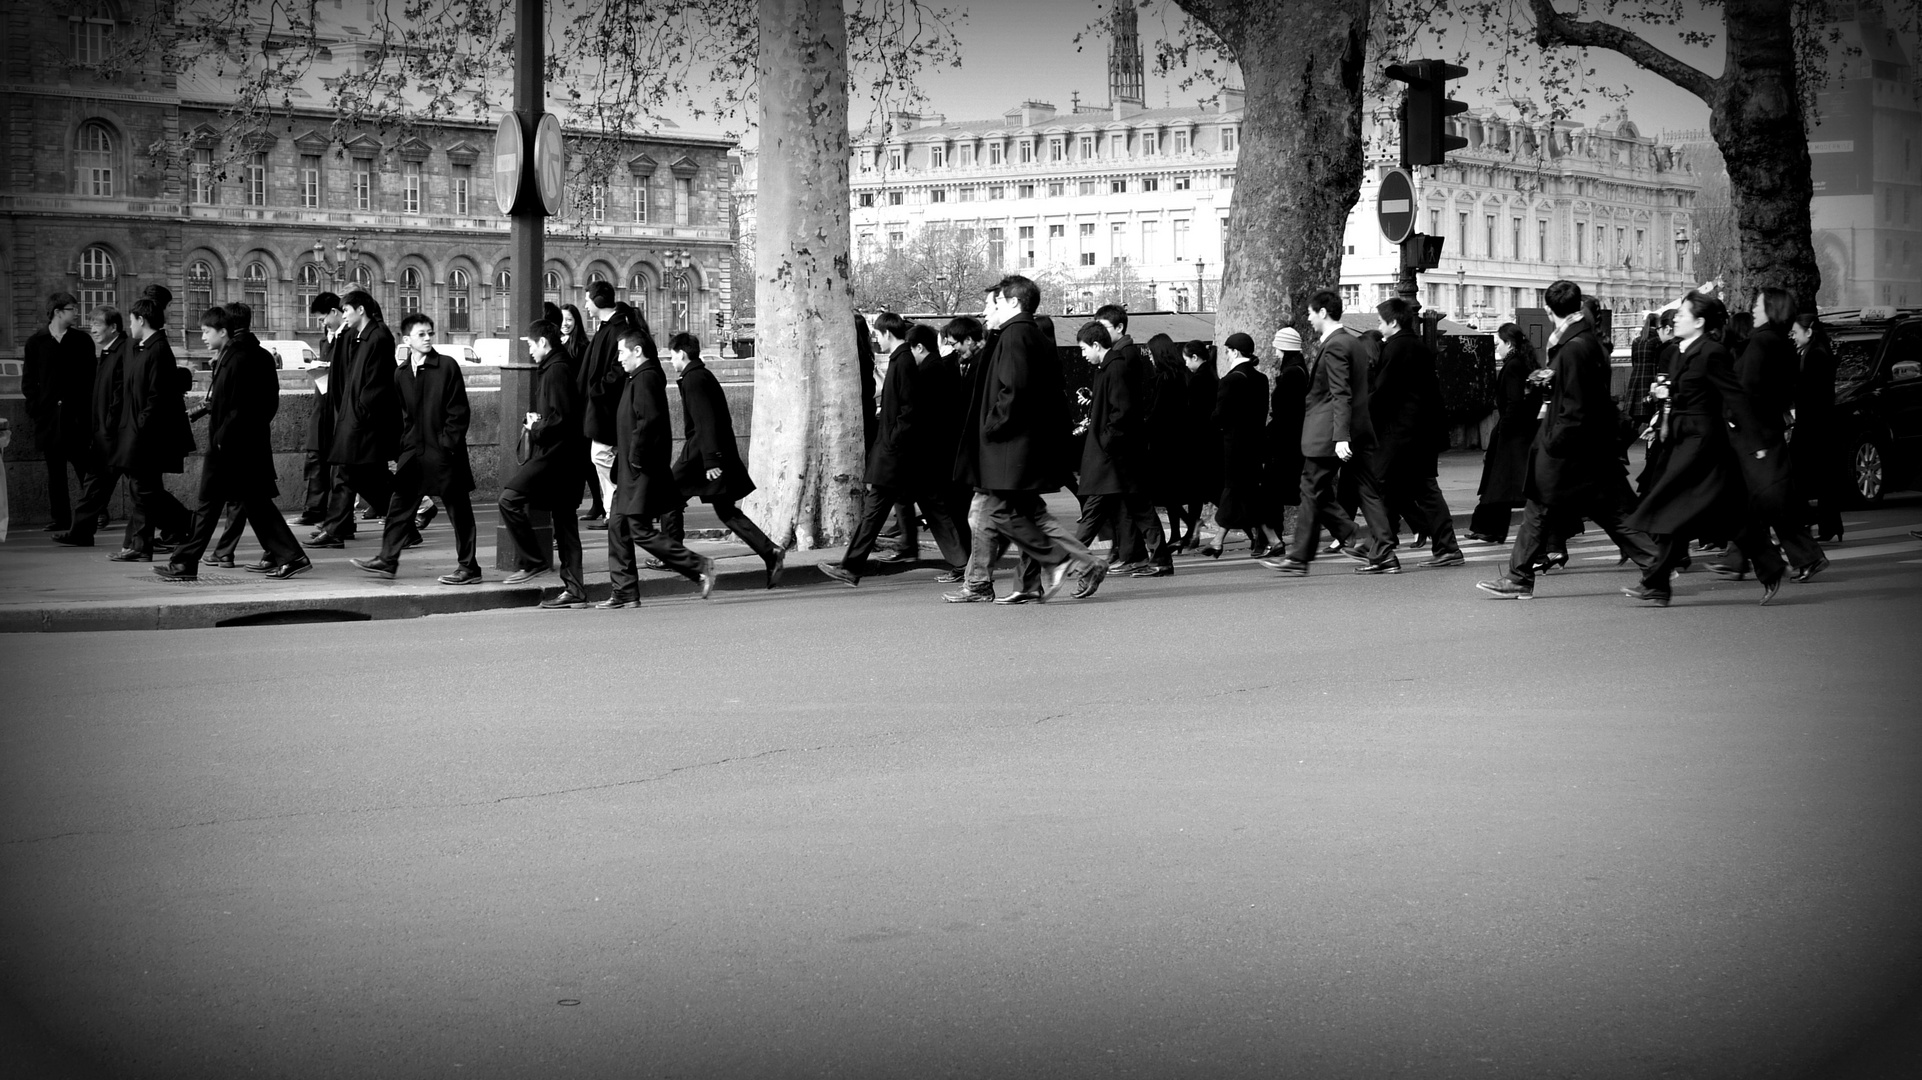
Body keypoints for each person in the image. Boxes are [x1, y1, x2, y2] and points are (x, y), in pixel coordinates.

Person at [1477, 281, 1658, 600]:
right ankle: (1655, 571)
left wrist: (1553, 442)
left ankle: (1521, 576)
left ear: (1548, 311)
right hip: (1586, 445)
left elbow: (1575, 403)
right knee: (1571, 509)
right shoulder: (1583, 340)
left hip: (1572, 447)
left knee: (1569, 509)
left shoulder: (1573, 346)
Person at [950, 275, 1102, 604]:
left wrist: (992, 426)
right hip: (1019, 444)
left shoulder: (1015, 335)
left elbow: (1013, 389)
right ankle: (1075, 564)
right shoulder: (1027, 333)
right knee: (1026, 514)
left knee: (1000, 513)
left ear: (1013, 303)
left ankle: (1057, 560)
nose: (987, 312)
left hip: (1008, 446)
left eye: (994, 304)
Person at [1621, 291, 1760, 606]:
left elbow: (1734, 398)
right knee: (1685, 513)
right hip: (1681, 439)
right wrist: (1662, 398)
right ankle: (1657, 583)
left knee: (1675, 509)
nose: (1676, 319)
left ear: (1699, 322)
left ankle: (1656, 581)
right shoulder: (1682, 349)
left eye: (1683, 314)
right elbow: (1682, 392)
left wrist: (1756, 442)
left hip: (1703, 442)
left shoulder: (1713, 352)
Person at [158, 303, 309, 580]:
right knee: (250, 504)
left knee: (220, 505)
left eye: (206, 331)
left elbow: (237, 406)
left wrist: (221, 440)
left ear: (224, 330)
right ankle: (289, 555)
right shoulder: (244, 355)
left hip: (231, 448)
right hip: (238, 445)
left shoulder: (237, 358)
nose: (202, 336)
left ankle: (185, 563)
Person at [822, 313, 970, 587]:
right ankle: (963, 563)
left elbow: (907, 411)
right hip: (903, 455)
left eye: (878, 335)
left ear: (888, 333)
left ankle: (851, 567)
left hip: (895, 456)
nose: (876, 340)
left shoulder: (901, 362)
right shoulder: (903, 359)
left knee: (874, 513)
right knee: (933, 508)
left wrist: (891, 442)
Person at [1706, 289, 1828, 586]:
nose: (1754, 308)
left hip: (1753, 432)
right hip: (1766, 428)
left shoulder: (1761, 341)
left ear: (1771, 309)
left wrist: (1732, 416)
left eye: (1758, 304)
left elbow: (1746, 387)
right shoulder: (1781, 342)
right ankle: (1741, 559)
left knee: (1764, 499)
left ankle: (1803, 555)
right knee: (1756, 498)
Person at [350, 313, 479, 584]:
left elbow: (458, 412)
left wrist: (447, 445)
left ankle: (469, 567)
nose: (428, 338)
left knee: (459, 511)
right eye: (421, 334)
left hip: (444, 453)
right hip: (414, 452)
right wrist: (402, 449)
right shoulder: (400, 373)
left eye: (430, 333)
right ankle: (387, 560)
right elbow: (404, 416)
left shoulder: (446, 366)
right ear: (407, 339)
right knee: (399, 506)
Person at [1265, 290, 1380, 575]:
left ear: (1323, 313)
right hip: (1349, 428)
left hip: (1330, 431)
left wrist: (1340, 436)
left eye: (1310, 313)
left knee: (1311, 487)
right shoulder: (1351, 342)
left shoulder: (1336, 345)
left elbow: (1341, 393)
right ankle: (1374, 542)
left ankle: (1301, 556)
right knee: (1361, 491)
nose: (1308, 318)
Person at [663, 331, 788, 589]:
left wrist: (711, 461)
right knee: (726, 510)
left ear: (682, 354)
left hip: (701, 454)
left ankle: (674, 557)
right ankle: (770, 552)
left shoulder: (693, 379)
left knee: (668, 497)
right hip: (712, 451)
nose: (670, 360)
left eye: (672, 355)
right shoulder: (701, 375)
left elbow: (704, 422)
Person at [603, 328, 717, 606]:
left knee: (638, 529)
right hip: (632, 469)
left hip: (640, 470)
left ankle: (698, 565)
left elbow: (648, 422)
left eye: (621, 352)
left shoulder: (645, 378)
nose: (619, 359)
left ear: (637, 351)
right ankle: (625, 591)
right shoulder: (639, 377)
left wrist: (635, 459)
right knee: (618, 527)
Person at [496, 320, 590, 606]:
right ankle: (574, 589)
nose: (530, 351)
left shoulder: (556, 370)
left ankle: (534, 560)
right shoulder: (557, 367)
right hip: (564, 458)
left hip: (556, 458)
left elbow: (562, 419)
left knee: (509, 498)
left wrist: (535, 428)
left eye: (531, 345)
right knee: (565, 525)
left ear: (544, 343)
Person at [1368, 298, 1463, 569]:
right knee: (1422, 490)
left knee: (1383, 488)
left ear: (1393, 322)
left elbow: (1384, 392)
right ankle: (1445, 546)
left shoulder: (1397, 348)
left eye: (1380, 321)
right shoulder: (1417, 346)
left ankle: (1384, 552)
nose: (1378, 325)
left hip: (1402, 435)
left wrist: (1358, 414)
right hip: (1420, 433)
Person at [106, 286, 196, 562]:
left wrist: (139, 429)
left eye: (131, 320)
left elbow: (156, 397)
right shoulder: (145, 348)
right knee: (143, 489)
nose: (129, 325)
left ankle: (148, 541)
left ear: (141, 320)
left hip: (146, 435)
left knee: (143, 489)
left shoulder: (157, 350)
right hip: (138, 431)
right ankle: (145, 543)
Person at [1065, 321, 1151, 595]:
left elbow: (1119, 413)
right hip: (1108, 457)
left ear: (1096, 345)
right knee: (1103, 514)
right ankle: (1081, 565)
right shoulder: (1110, 367)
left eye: (1082, 349)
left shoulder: (1114, 368)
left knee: (1092, 516)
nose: (1081, 355)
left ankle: (1079, 565)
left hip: (1108, 458)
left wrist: (1105, 443)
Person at [1089, 305, 1166, 572]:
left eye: (1104, 327)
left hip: (1126, 446)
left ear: (1119, 328)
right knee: (1132, 504)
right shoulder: (1119, 356)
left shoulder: (1124, 357)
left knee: (1137, 505)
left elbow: (1123, 408)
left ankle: (1151, 557)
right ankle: (1140, 555)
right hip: (1123, 444)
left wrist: (1109, 439)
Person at [322, 290, 399, 551]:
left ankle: (336, 529)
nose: (343, 315)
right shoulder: (360, 337)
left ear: (361, 309)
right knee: (365, 476)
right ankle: (406, 527)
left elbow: (375, 384)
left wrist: (359, 413)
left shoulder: (378, 336)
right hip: (355, 418)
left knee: (355, 473)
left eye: (346, 310)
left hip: (363, 422)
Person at [23, 292, 98, 534]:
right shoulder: (36, 342)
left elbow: (91, 379)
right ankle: (61, 519)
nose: (76, 313)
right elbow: (29, 382)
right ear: (58, 312)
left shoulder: (81, 341)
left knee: (84, 470)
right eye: (72, 309)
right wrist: (37, 410)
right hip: (48, 419)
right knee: (55, 473)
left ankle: (94, 514)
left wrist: (85, 411)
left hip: (76, 418)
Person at [52, 305, 125, 546]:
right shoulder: (108, 351)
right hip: (105, 433)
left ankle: (183, 524)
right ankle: (81, 531)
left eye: (98, 324)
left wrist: (108, 427)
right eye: (91, 324)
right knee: (95, 484)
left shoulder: (122, 352)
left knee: (144, 491)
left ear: (113, 327)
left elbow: (118, 396)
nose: (93, 329)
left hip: (114, 434)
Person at [1467, 324, 1541, 544]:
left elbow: (1514, 402)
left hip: (1512, 434)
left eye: (1498, 343)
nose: (1496, 347)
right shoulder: (1523, 363)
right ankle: (1490, 529)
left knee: (1504, 484)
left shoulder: (1513, 366)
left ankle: (1491, 529)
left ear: (1508, 343)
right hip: (1520, 432)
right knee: (1502, 484)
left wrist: (1504, 430)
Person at [579, 281, 643, 533]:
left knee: (602, 456)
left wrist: (597, 390)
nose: (585, 304)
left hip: (607, 407)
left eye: (587, 299)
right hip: (603, 405)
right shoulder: (611, 327)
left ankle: (617, 510)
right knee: (603, 457)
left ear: (598, 301)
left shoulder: (616, 328)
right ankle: (614, 510)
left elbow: (618, 369)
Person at [1207, 332, 1276, 559]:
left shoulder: (1230, 380)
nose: (1226, 355)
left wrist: (1212, 420)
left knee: (1236, 490)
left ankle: (1219, 540)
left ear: (1235, 352)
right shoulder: (1261, 379)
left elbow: (1220, 415)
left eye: (1227, 351)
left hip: (1234, 445)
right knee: (1246, 494)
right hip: (1255, 444)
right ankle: (1270, 539)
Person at [1790, 312, 1844, 543]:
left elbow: (1808, 392)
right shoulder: (1812, 352)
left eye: (1794, 332)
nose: (1791, 337)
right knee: (1823, 477)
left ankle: (1811, 520)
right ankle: (1829, 525)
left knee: (1801, 475)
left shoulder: (1815, 356)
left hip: (1813, 425)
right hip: (1816, 424)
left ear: (1809, 332)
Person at [1142, 333, 1190, 569]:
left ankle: (1183, 529)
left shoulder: (1164, 379)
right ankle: (1181, 531)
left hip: (1162, 442)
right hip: (1178, 440)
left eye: (1151, 353)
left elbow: (1156, 413)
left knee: (1160, 492)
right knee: (1170, 492)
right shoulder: (1182, 375)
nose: (1149, 358)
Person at [1263, 327, 1309, 550]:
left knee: (1274, 490)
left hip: (1285, 440)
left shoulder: (1292, 373)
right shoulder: (1297, 369)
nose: (1275, 352)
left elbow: (1284, 411)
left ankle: (1275, 538)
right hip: (1291, 438)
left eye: (1278, 347)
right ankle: (1275, 537)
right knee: (1285, 490)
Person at [1177, 340, 1221, 551]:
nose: (1185, 364)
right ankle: (1192, 530)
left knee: (1206, 489)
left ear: (1195, 358)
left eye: (1186, 360)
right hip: (1211, 440)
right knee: (1203, 490)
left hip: (1199, 442)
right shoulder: (1212, 376)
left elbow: (1193, 414)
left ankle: (1192, 529)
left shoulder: (1198, 380)